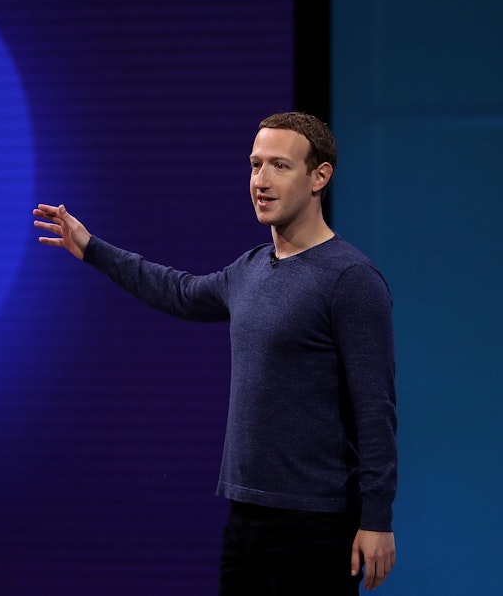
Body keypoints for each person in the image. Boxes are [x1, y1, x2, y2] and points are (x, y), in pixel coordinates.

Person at [32, 112, 397, 594]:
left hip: (316, 523)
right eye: (254, 165)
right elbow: (179, 291)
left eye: (279, 166)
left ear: (320, 177)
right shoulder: (249, 269)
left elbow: (375, 411)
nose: (260, 182)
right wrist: (92, 247)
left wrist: (377, 519)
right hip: (244, 518)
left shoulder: (350, 280)